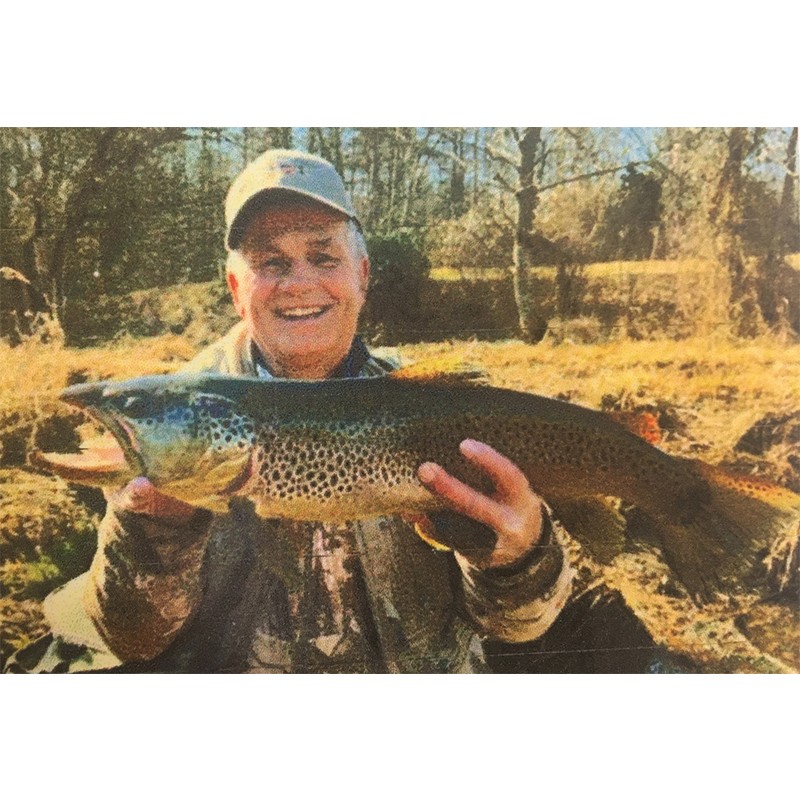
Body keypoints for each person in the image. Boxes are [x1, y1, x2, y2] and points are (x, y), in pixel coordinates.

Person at [8, 150, 664, 674]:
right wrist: (151, 528)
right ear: (238, 289)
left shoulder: (434, 405)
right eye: (270, 263)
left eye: (322, 257)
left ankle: (690, 498)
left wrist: (520, 553)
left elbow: (521, 628)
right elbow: (131, 638)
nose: (298, 282)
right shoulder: (180, 416)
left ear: (362, 274)